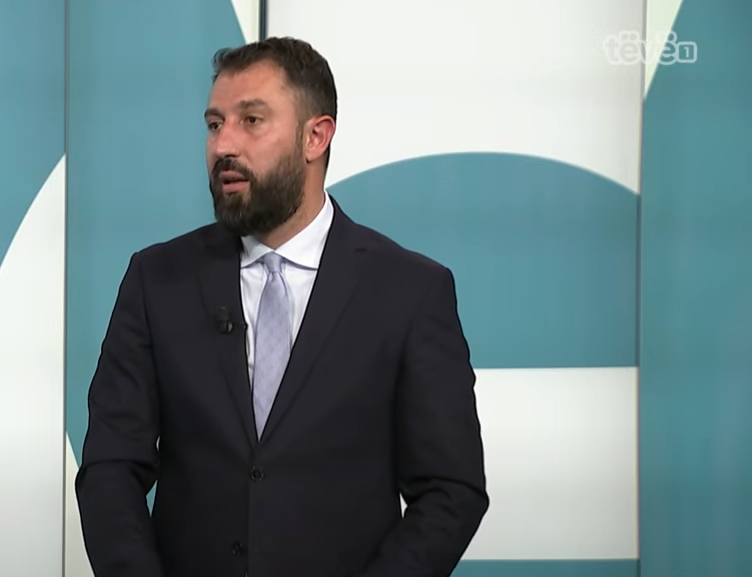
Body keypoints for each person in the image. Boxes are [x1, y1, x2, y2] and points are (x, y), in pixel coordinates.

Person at [74, 36, 489, 577]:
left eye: (251, 121)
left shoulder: (409, 291)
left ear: (316, 136)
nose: (224, 145)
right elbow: (110, 468)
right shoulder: (158, 281)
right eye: (214, 124)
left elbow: (450, 489)